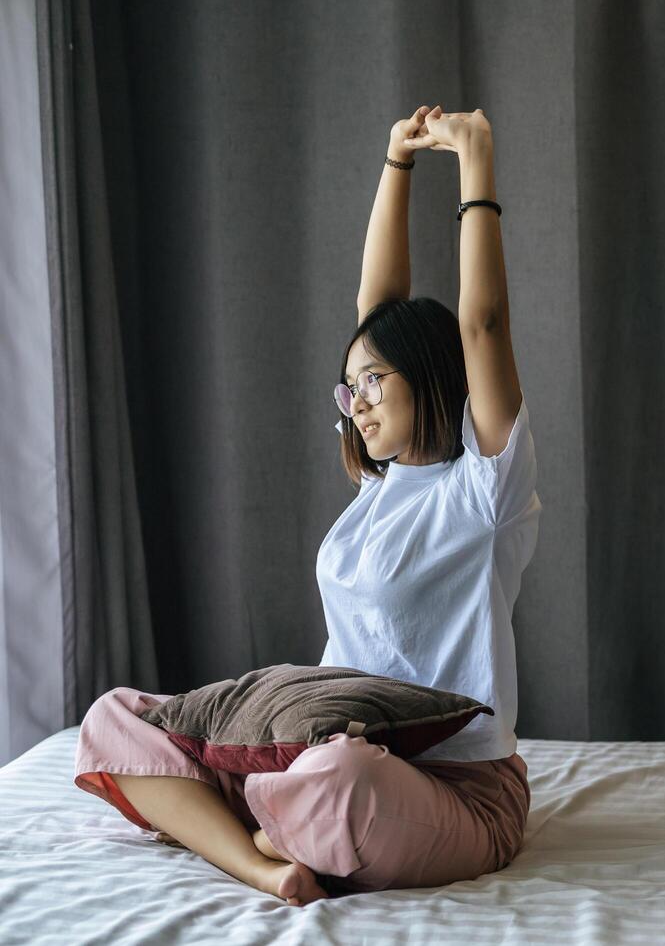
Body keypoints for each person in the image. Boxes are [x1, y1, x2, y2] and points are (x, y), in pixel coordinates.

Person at [72, 104, 540, 905]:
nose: (355, 402)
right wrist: (395, 160)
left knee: (340, 778)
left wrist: (475, 167)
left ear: (431, 375)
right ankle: (264, 860)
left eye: (374, 382)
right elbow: (375, 307)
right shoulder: (377, 487)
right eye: (348, 386)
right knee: (114, 719)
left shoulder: (482, 489)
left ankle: (248, 814)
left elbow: (483, 322)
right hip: (315, 749)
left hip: (451, 790)